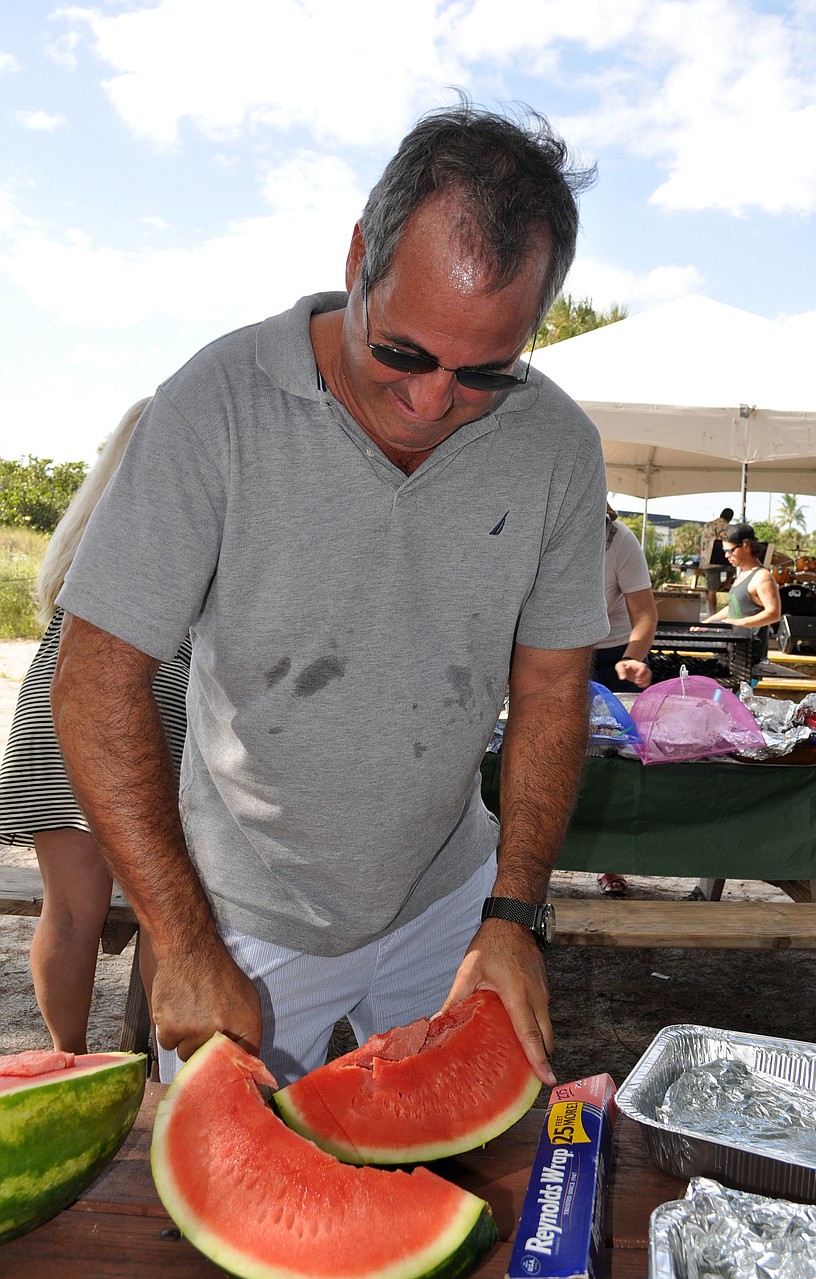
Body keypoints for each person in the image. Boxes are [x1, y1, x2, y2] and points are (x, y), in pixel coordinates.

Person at [50, 102, 609, 1088]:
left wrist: (512, 911)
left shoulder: (557, 446)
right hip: (245, 911)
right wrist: (179, 937)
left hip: (449, 896)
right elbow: (94, 680)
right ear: (359, 257)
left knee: (463, 1189)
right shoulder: (215, 403)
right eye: (401, 350)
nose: (431, 402)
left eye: (483, 371)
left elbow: (555, 695)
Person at [0, 399, 191, 1054]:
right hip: (140, 707)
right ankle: (171, 1082)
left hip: (53, 708)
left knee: (70, 911)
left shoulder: (88, 528)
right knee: (166, 913)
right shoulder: (189, 516)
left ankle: (69, 1058)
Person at [592, 505, 657, 895]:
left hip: (613, 653)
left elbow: (645, 613)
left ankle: (610, 860)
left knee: (618, 760)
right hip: (551, 650)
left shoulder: (620, 540)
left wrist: (632, 657)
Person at [702, 522, 781, 664]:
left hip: (749, 658)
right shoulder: (743, 574)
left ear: (746, 546)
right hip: (732, 651)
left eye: (730, 550)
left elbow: (774, 614)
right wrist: (711, 621)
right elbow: (735, 605)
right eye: (724, 551)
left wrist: (738, 623)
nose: (726, 555)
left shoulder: (762, 577)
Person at [699, 507, 735, 613]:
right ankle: (727, 583)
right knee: (735, 565)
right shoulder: (728, 527)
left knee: (712, 591)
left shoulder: (707, 525)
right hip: (722, 561)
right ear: (730, 518)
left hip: (707, 562)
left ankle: (712, 614)